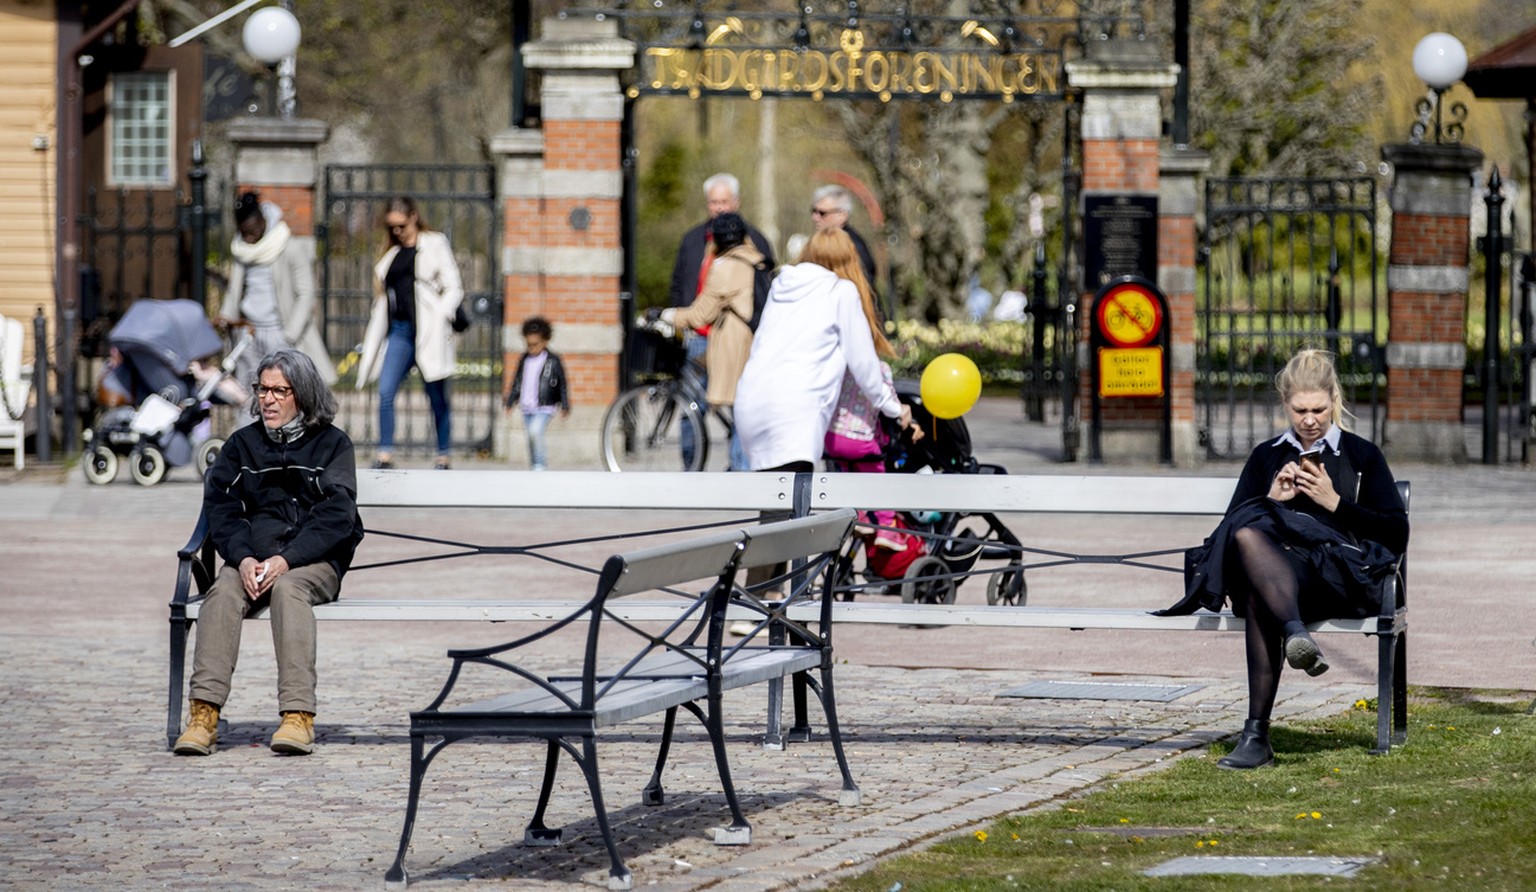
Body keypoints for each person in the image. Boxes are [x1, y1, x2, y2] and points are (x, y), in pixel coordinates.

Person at [1161, 349, 1409, 770]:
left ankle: (1257, 735)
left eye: (1317, 409)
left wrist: (1334, 502)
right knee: (1250, 544)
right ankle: (1291, 645)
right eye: (1299, 410)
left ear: (1334, 400)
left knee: (1261, 594)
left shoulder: (1361, 456)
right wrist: (1270, 501)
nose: (1309, 420)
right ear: (1285, 405)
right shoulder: (1267, 456)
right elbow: (1230, 531)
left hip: (1338, 580)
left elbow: (1396, 533)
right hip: (1283, 584)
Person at [173, 349, 365, 757]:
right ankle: (203, 715)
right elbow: (221, 510)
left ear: (304, 395)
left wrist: (287, 559)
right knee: (222, 593)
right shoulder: (242, 446)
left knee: (289, 590)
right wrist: (242, 558)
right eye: (263, 389)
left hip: (312, 562)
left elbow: (337, 517)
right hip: (250, 560)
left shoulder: (332, 445)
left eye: (281, 390)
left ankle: (298, 716)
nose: (268, 399)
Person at [733, 228, 917, 473]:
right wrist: (894, 407)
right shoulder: (841, 291)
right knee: (791, 502)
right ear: (848, 260)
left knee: (772, 502)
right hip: (794, 410)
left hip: (750, 402)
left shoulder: (781, 286)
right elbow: (864, 365)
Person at [667, 174, 776, 467]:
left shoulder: (753, 241)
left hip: (733, 338)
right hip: (699, 336)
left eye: (724, 201)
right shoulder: (692, 240)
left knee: (739, 406)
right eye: (713, 202)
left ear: (736, 202)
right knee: (692, 407)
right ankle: (692, 468)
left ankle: (738, 468)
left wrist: (673, 316)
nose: (718, 208)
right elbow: (679, 282)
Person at [355, 196, 463, 470]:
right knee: (386, 390)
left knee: (436, 394)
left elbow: (454, 286)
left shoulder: (434, 243)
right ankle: (385, 453)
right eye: (391, 227)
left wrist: (441, 315)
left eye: (401, 225)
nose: (397, 231)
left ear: (414, 217)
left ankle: (443, 454)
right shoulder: (391, 253)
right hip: (400, 331)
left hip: (429, 331)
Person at [218, 192, 336, 426]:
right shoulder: (241, 250)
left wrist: (289, 334)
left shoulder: (287, 245)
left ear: (262, 220)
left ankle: (289, 448)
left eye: (253, 230)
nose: (249, 237)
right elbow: (234, 290)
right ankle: (247, 449)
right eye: (245, 232)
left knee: (285, 395)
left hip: (279, 332)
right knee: (249, 395)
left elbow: (306, 293)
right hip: (249, 333)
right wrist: (226, 317)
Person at [505, 316, 569, 471]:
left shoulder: (552, 360)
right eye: (528, 345)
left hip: (545, 406)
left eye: (535, 344)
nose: (531, 348)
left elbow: (562, 383)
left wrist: (565, 404)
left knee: (535, 432)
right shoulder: (524, 359)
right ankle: (534, 464)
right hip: (527, 406)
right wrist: (510, 401)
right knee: (531, 437)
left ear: (545, 341)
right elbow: (517, 382)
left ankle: (540, 465)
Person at [809, 185, 879, 304]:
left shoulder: (852, 246)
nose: (815, 217)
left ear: (842, 215)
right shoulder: (824, 243)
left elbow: (861, 290)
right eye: (814, 211)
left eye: (822, 213)